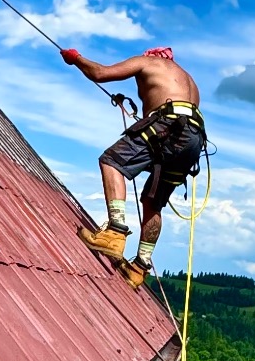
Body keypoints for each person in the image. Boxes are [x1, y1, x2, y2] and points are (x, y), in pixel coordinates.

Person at [60, 45, 206, 286]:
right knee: (153, 201)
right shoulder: (188, 81)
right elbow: (171, 109)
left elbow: (100, 73)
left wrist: (76, 59)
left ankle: (115, 233)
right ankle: (140, 266)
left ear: (151, 56)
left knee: (112, 162)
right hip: (193, 138)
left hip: (167, 125)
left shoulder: (148, 62)